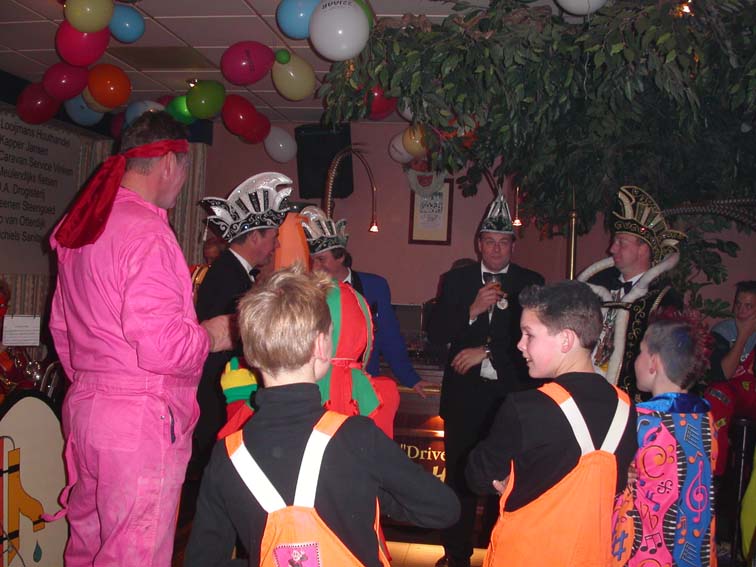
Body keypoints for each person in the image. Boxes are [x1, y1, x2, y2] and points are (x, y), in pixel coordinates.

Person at [47, 111, 232, 566]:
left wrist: (99, 385)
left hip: (86, 411)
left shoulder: (84, 224)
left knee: (87, 547)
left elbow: (61, 329)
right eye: (184, 169)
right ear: (169, 163)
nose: (182, 182)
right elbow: (164, 348)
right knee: (135, 553)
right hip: (137, 421)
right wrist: (212, 335)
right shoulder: (148, 232)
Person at [184, 266, 460, 567]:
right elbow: (443, 509)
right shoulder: (357, 437)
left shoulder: (226, 454)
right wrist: (371, 491)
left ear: (250, 353)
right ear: (320, 345)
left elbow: (202, 561)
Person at [466, 281, 637, 567]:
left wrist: (508, 480)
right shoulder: (626, 407)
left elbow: (478, 476)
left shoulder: (526, 407)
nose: (520, 344)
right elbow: (616, 484)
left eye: (529, 334)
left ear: (566, 340)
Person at [427, 193, 544, 567]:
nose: (496, 248)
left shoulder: (530, 282)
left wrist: (489, 352)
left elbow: (539, 342)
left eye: (503, 242)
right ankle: (456, 556)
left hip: (511, 399)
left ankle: (500, 555)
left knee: (506, 482)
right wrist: (471, 310)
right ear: (479, 244)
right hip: (464, 399)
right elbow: (436, 333)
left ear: (513, 245)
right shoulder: (456, 280)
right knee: (459, 481)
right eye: (489, 241)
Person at [191, 172, 293, 473]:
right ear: (254, 237)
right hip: (218, 394)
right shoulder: (228, 275)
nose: (276, 245)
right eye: (273, 236)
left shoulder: (232, 271)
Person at [612, 310, 717, 567]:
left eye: (640, 352)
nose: (635, 359)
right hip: (695, 552)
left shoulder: (640, 421)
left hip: (646, 553)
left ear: (653, 363)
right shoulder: (706, 418)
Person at [299, 206, 430, 397]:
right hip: (317, 386)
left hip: (361, 386)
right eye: (312, 260)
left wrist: (411, 378)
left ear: (340, 257)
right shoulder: (305, 291)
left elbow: (389, 337)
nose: (315, 267)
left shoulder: (374, 286)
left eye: (321, 259)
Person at [578, 185, 686, 399]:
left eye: (621, 243)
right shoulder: (596, 287)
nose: (612, 249)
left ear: (643, 249)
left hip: (632, 401)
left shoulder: (663, 299)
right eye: (614, 241)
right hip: (587, 391)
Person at [705, 280, 756, 475]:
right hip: (730, 395)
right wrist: (743, 336)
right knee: (716, 396)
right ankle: (713, 474)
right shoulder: (723, 331)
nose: (741, 311)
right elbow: (722, 375)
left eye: (748, 306)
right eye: (738, 304)